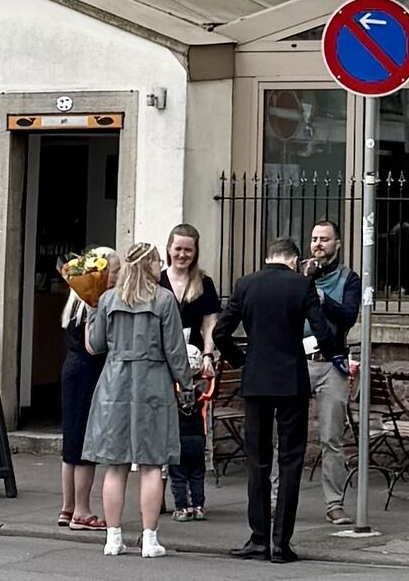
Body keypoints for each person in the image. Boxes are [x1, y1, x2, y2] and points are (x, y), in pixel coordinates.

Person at [214, 236, 339, 563]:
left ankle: (258, 539)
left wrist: (242, 360)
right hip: (291, 381)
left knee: (257, 460)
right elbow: (323, 332)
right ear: (294, 260)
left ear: (268, 256)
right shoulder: (301, 285)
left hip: (256, 380)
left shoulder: (245, 285)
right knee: (290, 460)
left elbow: (220, 333)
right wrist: (331, 353)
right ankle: (282, 543)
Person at [82, 240, 196, 558]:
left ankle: (113, 538)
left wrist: (92, 312)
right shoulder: (163, 299)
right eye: (158, 261)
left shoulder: (108, 299)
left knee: (114, 465)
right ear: (150, 265)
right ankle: (149, 539)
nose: (162, 266)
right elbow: (175, 350)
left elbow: (96, 345)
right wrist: (187, 385)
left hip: (114, 383)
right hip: (153, 384)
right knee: (152, 464)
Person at [159, 223, 221, 520]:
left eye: (188, 250)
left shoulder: (204, 282)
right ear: (169, 249)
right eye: (178, 248)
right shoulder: (158, 281)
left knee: (192, 433)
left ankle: (195, 499)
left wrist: (208, 353)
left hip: (194, 365)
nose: (182, 254)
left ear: (195, 253)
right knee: (162, 429)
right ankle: (158, 494)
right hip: (162, 363)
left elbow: (210, 322)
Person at [303, 220, 360, 526]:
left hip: (332, 363)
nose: (318, 244)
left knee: (332, 437)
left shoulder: (348, 278)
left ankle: (334, 504)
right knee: (284, 435)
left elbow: (349, 315)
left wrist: (323, 299)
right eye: (314, 239)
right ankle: (275, 499)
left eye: (324, 239)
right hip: (298, 360)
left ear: (337, 244)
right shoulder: (298, 273)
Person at [59, 248, 118, 532]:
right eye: (115, 271)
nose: (119, 276)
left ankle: (67, 507)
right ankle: (82, 512)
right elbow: (94, 345)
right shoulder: (93, 303)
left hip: (72, 370)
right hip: (88, 373)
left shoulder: (75, 302)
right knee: (85, 444)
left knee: (71, 441)